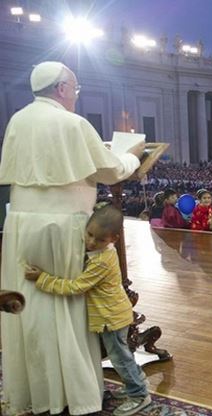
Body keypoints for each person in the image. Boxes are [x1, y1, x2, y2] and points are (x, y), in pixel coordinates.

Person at [0, 61, 144, 415]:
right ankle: (75, 394)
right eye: (75, 90)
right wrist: (131, 155)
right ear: (62, 87)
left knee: (31, 310)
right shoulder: (73, 123)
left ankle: (39, 392)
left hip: (20, 223)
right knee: (65, 307)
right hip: (62, 226)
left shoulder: (18, 119)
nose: (76, 97)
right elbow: (110, 169)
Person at [23, 205, 152, 415]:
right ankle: (135, 384)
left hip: (111, 317)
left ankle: (139, 395)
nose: (91, 242)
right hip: (112, 314)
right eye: (89, 234)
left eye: (99, 240)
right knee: (122, 355)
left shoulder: (102, 260)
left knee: (120, 358)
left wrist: (42, 278)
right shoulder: (100, 253)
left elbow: (77, 287)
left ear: (114, 239)